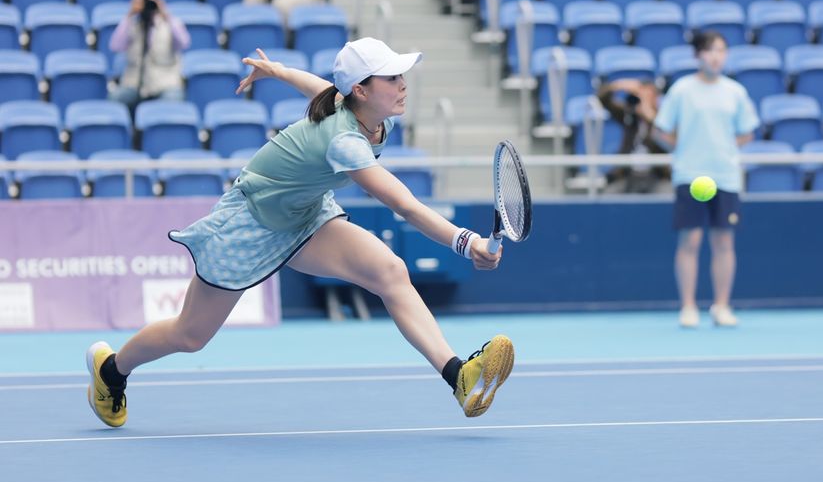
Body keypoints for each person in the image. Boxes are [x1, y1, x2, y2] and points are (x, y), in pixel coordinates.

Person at [86, 37, 515, 428]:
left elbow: (318, 87)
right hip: (251, 222)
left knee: (389, 272)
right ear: (362, 90)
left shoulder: (362, 111)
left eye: (401, 75)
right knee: (190, 335)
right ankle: (111, 371)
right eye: (391, 78)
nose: (403, 84)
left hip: (305, 215)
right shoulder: (345, 141)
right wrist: (467, 242)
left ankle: (458, 376)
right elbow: (404, 204)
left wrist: (277, 71)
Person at [652, 30, 760, 329]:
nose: (716, 56)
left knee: (724, 241)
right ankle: (688, 307)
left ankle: (722, 306)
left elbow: (748, 132)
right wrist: (684, 149)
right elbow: (660, 131)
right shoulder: (682, 90)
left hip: (726, 176)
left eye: (721, 50)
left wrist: (723, 149)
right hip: (690, 175)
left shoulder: (735, 92)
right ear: (698, 55)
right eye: (710, 50)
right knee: (691, 240)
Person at [109, 0, 190, 114]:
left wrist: (165, 13)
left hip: (165, 84)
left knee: (173, 104)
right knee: (115, 100)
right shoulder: (131, 25)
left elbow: (184, 43)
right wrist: (129, 16)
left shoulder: (170, 24)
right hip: (134, 84)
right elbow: (115, 46)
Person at [595, 78, 669, 194]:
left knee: (667, 194)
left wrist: (649, 115)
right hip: (628, 175)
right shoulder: (629, 117)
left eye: (648, 96)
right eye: (640, 96)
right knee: (610, 194)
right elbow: (603, 99)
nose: (643, 101)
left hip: (656, 175)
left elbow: (666, 138)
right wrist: (618, 85)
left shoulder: (664, 118)